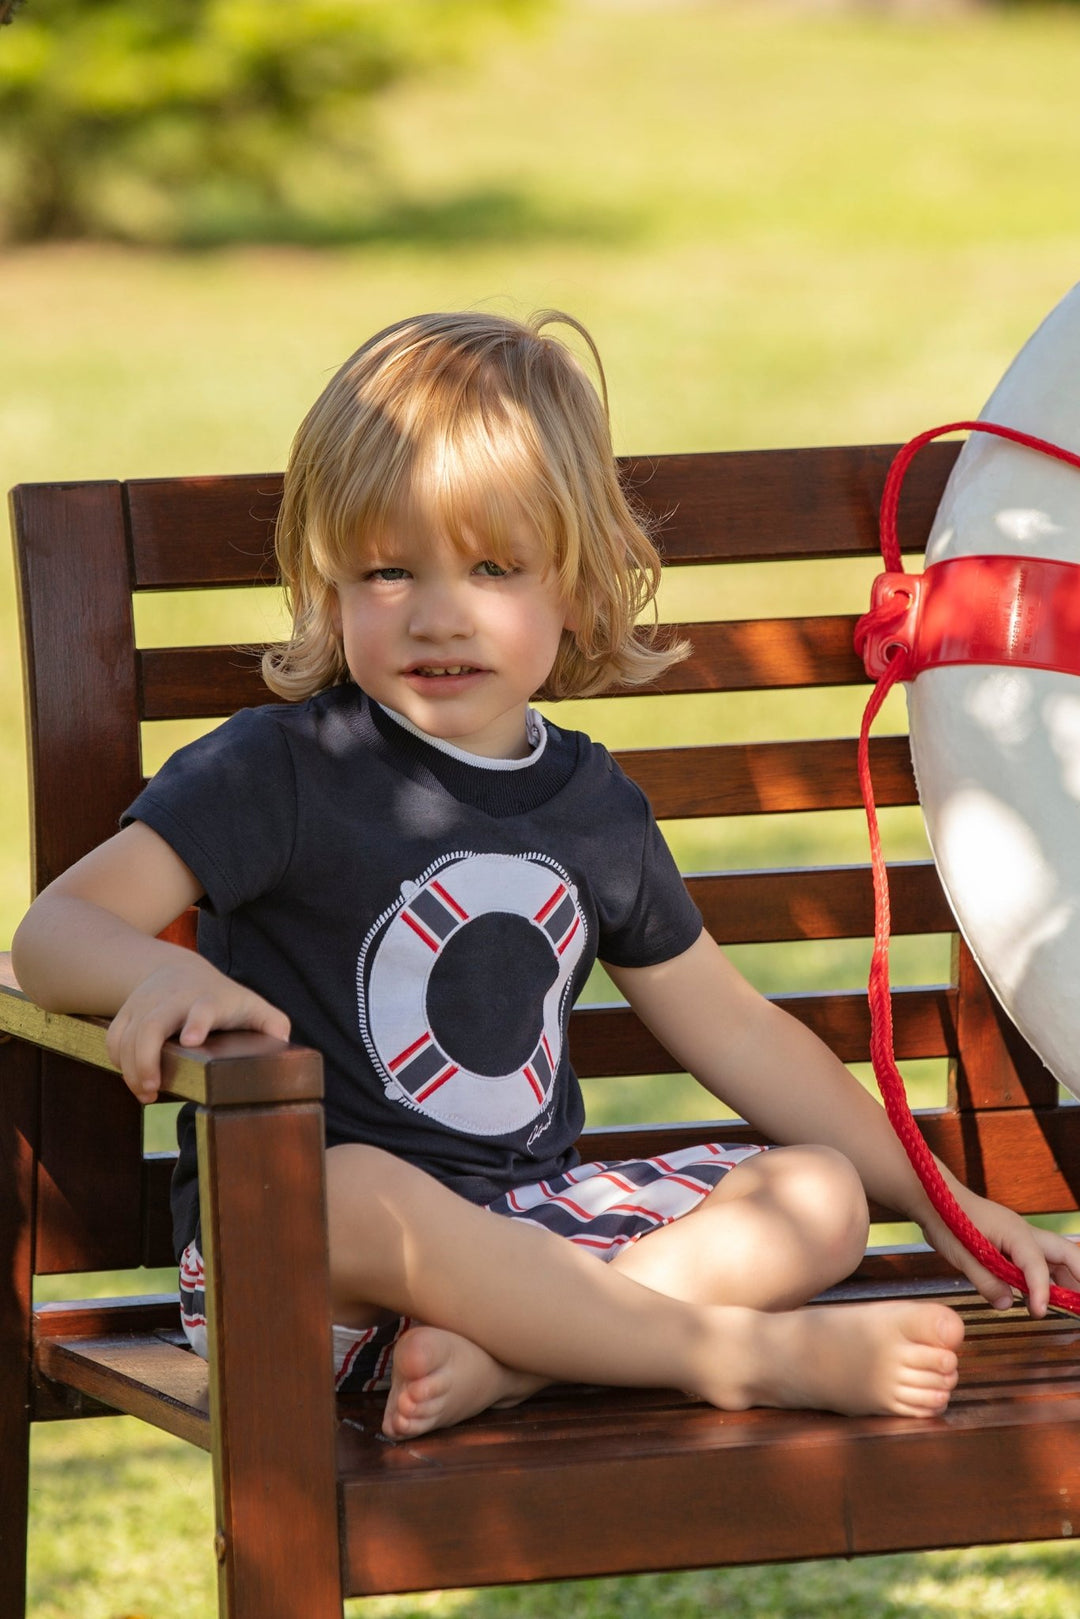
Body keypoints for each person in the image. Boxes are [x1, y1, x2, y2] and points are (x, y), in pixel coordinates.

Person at [13, 310, 1080, 1442]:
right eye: (388, 569)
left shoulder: (589, 801)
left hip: (532, 1233)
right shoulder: (280, 769)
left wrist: (936, 1196)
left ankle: (516, 1360)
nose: (438, 613)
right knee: (356, 1184)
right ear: (327, 581)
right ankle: (738, 1352)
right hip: (301, 1265)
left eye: (493, 567)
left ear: (574, 584)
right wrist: (156, 978)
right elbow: (53, 932)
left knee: (817, 1193)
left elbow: (736, 1030)